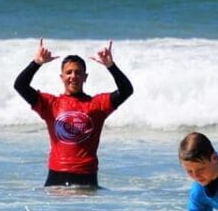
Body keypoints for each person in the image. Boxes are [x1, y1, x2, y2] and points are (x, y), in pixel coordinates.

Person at [13, 38, 133, 187]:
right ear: (62, 77)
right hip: (57, 177)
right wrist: (37, 63)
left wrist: (110, 66)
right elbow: (20, 85)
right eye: (68, 72)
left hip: (87, 178)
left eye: (78, 72)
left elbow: (127, 90)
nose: (73, 76)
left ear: (85, 77)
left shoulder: (97, 105)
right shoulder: (50, 104)